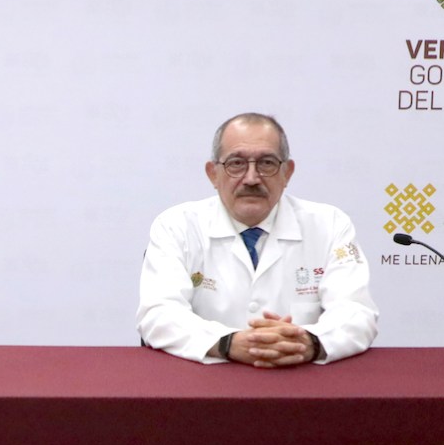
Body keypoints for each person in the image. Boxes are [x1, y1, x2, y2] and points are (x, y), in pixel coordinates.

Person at [136, 112, 378, 368]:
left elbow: (357, 312)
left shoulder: (330, 225)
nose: (251, 178)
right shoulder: (176, 226)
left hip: (300, 379)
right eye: (236, 163)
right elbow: (158, 314)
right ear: (213, 174)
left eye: (267, 163)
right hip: (205, 382)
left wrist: (309, 342)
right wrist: (228, 343)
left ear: (287, 173)